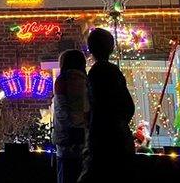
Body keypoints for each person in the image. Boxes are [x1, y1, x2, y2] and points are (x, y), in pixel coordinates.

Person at [78, 28, 134, 183]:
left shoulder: (95, 73)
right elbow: (129, 106)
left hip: (102, 142)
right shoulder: (113, 71)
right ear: (111, 48)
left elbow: (95, 106)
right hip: (119, 140)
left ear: (91, 49)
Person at [53, 49, 88, 183]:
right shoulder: (86, 81)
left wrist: (69, 133)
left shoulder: (63, 81)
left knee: (66, 175)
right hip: (84, 139)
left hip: (67, 141)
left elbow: (62, 111)